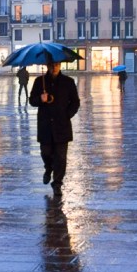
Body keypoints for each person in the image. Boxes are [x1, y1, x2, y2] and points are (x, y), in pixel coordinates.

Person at [29, 61, 80, 198]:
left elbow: (75, 102)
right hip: (45, 125)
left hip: (62, 126)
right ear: (47, 66)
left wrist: (67, 115)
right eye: (52, 65)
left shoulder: (68, 82)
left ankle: (57, 183)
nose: (54, 68)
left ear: (60, 65)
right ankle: (48, 167)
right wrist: (40, 99)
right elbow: (32, 101)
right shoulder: (40, 81)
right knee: (45, 152)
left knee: (61, 157)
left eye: (57, 65)